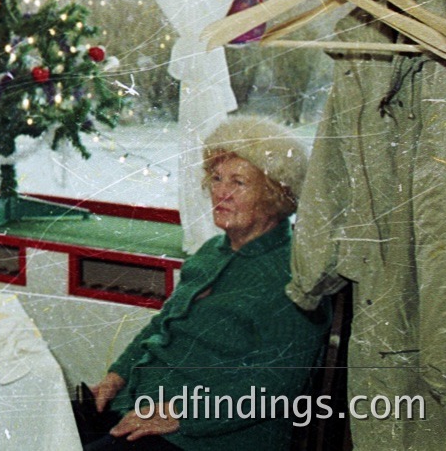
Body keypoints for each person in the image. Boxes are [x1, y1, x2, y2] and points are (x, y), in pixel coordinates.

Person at [84, 115, 329, 451]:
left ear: (275, 194)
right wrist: (116, 376)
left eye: (238, 183)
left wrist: (181, 414)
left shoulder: (295, 274)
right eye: (216, 178)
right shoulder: (211, 252)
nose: (221, 193)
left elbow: (277, 383)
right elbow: (162, 325)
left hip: (212, 438)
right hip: (143, 406)